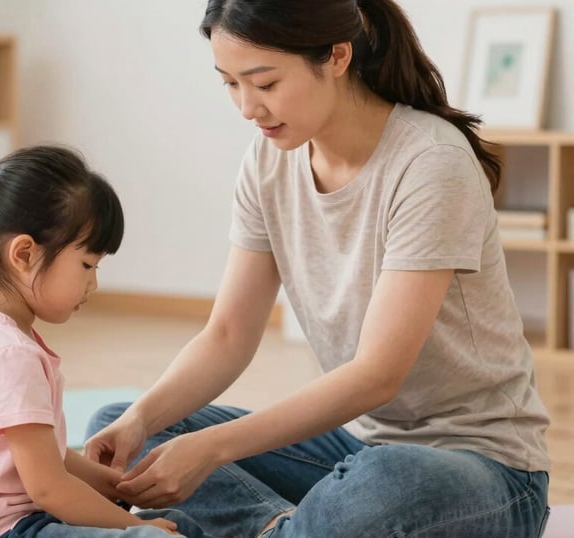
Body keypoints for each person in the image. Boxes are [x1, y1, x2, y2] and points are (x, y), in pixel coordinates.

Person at [85, 1, 551, 537]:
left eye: (264, 83)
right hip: (356, 447)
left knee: (383, 483)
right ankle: (278, 528)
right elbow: (229, 333)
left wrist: (211, 449)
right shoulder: (267, 162)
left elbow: (377, 375)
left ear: (335, 56)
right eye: (230, 84)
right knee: (121, 434)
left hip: (484, 468)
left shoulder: (430, 163)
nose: (247, 108)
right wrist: (141, 420)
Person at [0, 146, 223, 538]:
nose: (94, 282)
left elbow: (47, 458)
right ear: (24, 254)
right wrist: (135, 524)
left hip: (15, 522)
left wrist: (116, 487)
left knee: (178, 524)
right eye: (87, 264)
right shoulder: (7, 354)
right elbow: (49, 488)